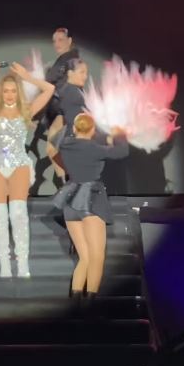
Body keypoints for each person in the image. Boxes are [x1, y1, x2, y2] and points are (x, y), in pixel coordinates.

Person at [0, 62, 55, 278]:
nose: (9, 95)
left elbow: (49, 89)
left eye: (13, 91)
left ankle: (23, 262)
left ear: (18, 92)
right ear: (1, 93)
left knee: (18, 214)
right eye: (6, 91)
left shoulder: (27, 110)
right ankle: (5, 264)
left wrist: (27, 77)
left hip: (19, 165)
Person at [54, 112, 129, 310]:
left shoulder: (65, 145)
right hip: (91, 201)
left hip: (70, 202)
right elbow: (122, 152)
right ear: (93, 130)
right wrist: (119, 134)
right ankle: (89, 306)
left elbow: (57, 139)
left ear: (74, 128)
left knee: (84, 258)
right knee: (96, 256)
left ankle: (75, 304)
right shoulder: (95, 149)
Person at [47, 57, 89, 178]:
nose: (85, 76)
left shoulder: (72, 91)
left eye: (86, 73)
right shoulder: (72, 93)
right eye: (82, 72)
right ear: (70, 73)